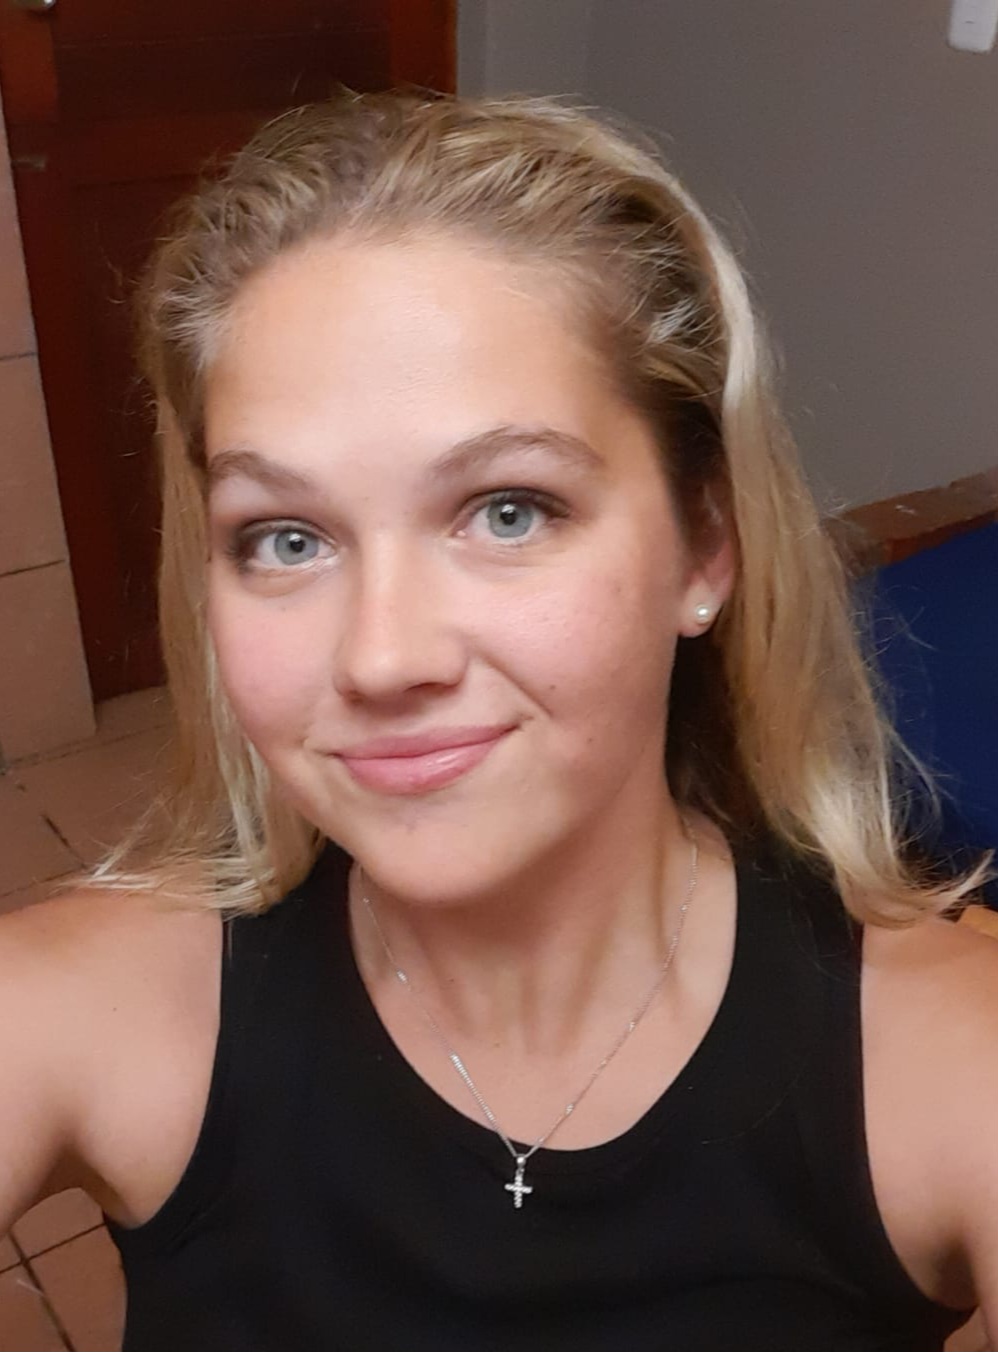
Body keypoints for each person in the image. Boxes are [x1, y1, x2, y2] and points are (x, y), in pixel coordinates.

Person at [1, 91, 995, 1352]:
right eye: (286, 537)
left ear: (704, 543)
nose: (380, 656)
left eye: (507, 510)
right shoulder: (94, 1009)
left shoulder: (945, 1062)